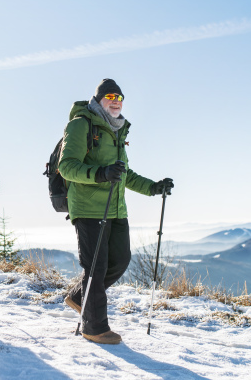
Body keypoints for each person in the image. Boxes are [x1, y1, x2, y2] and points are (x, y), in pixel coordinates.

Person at [58, 79, 174, 344]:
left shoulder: (117, 131)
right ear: (98, 99)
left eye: (120, 97)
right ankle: (94, 327)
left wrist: (154, 187)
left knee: (119, 261)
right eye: (110, 95)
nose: (116, 100)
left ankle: (79, 298)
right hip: (88, 208)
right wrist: (100, 173)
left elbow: (124, 174)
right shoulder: (80, 124)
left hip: (116, 208)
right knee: (95, 268)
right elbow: (67, 167)